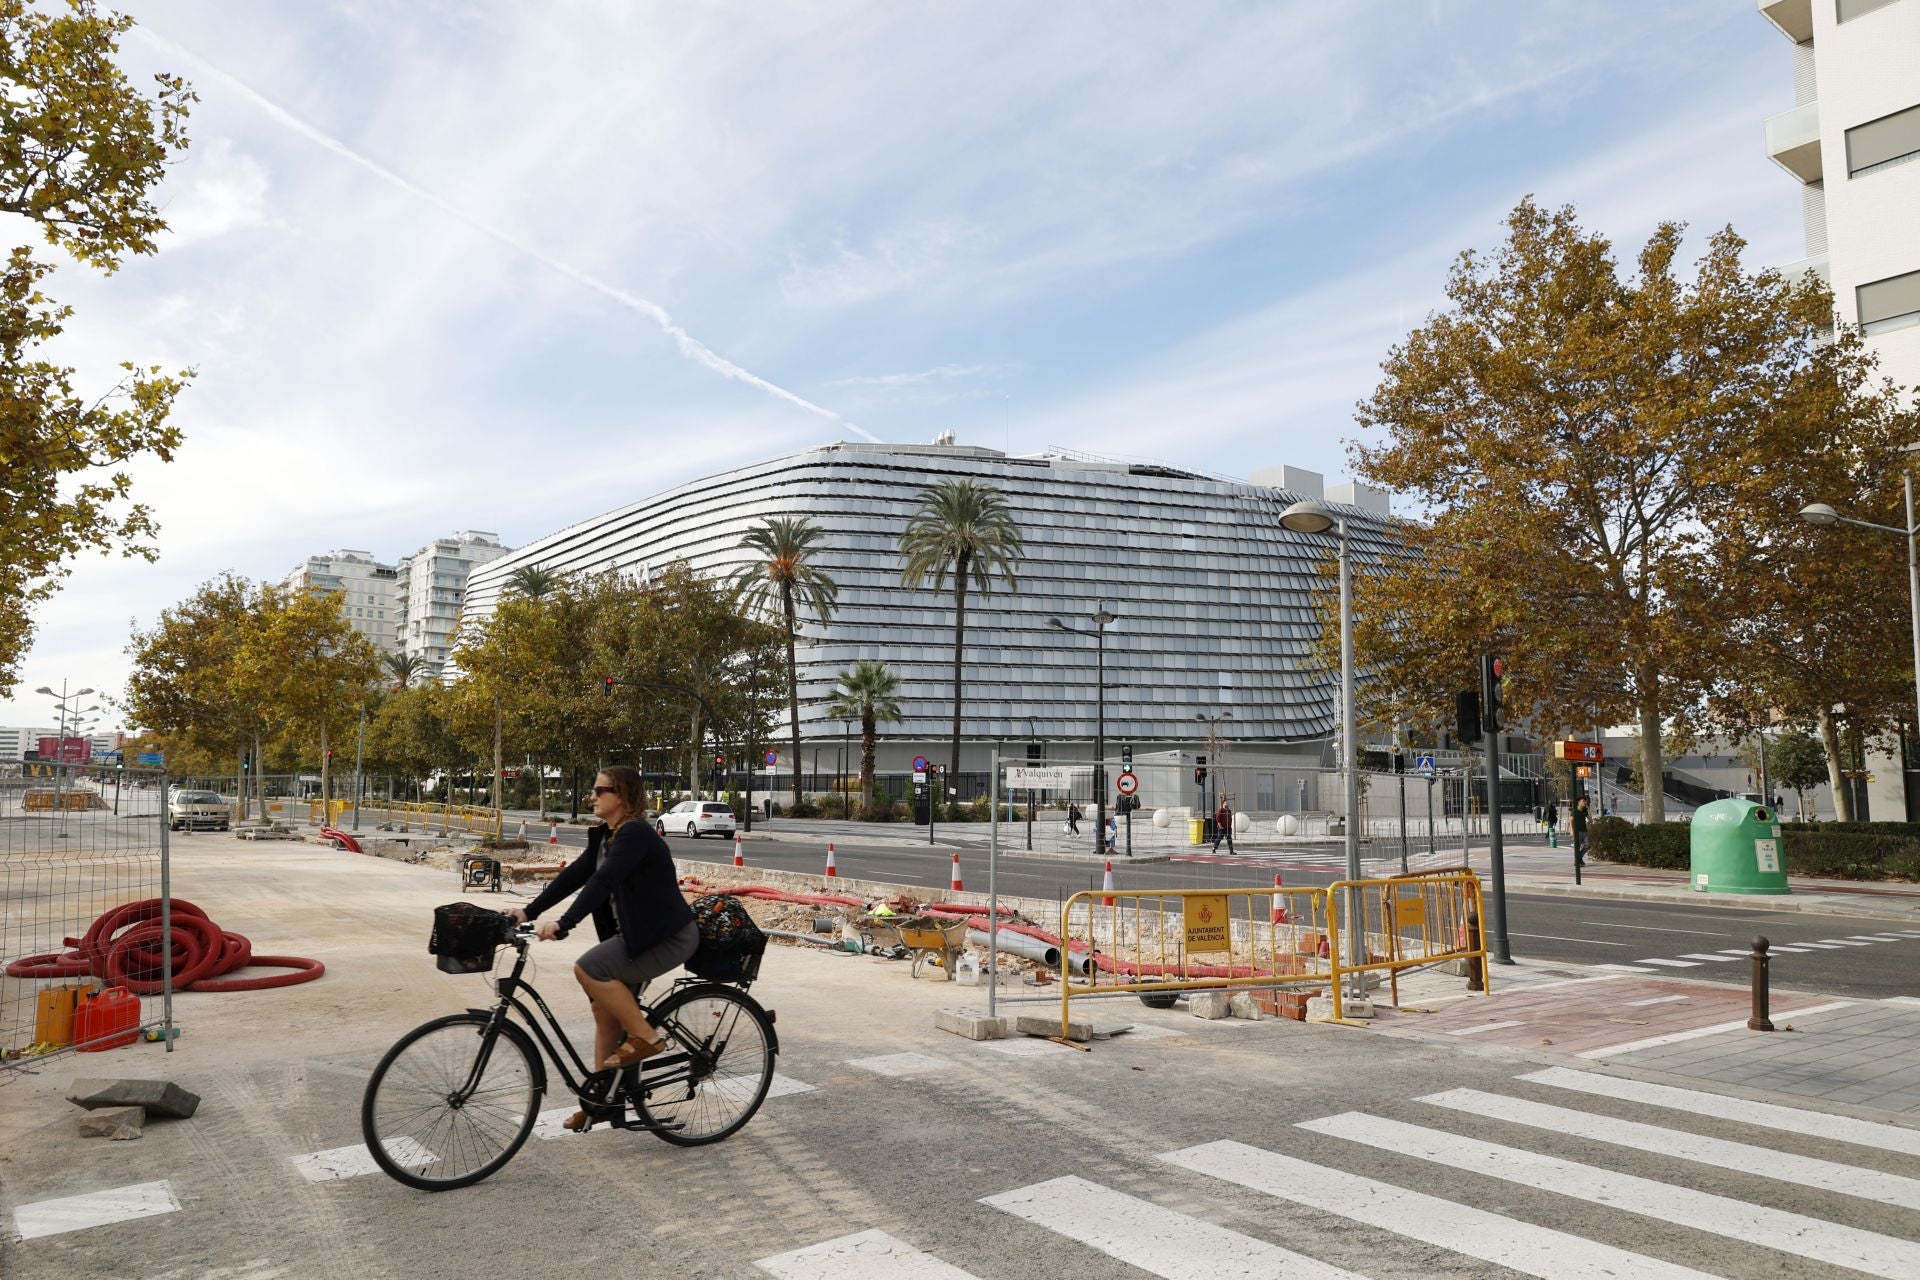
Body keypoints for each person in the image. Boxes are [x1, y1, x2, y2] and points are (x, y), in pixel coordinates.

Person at [506, 765, 698, 1131]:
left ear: (623, 796)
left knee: (588, 968)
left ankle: (646, 1036)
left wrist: (565, 923)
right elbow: (575, 877)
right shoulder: (607, 837)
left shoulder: (635, 834)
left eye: (601, 790)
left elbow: (603, 880)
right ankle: (602, 1104)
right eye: (594, 790)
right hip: (637, 937)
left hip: (666, 937)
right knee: (604, 1013)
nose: (592, 796)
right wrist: (527, 912)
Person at [1572, 793, 1590, 868]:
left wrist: (1588, 809)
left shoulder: (1584, 811)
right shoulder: (1574, 810)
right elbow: (1571, 821)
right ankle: (1579, 860)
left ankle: (1578, 858)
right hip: (1577, 831)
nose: (1585, 802)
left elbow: (1591, 820)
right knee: (1577, 847)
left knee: (1588, 845)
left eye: (1585, 801)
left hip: (1584, 830)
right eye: (1583, 801)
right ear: (1579, 802)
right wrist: (1571, 831)